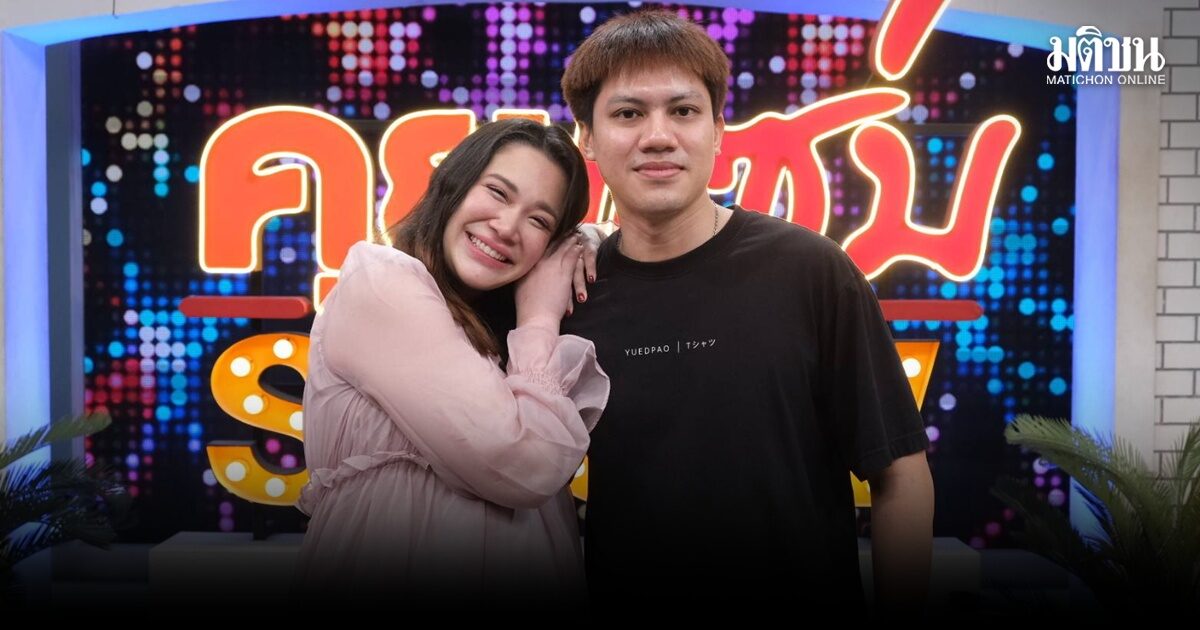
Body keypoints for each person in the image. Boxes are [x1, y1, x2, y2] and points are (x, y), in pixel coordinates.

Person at [560, 10, 935, 614]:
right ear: (587, 137)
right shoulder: (571, 292)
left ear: (717, 131)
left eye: (684, 111)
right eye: (628, 114)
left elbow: (900, 472)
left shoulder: (810, 269)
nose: (658, 136)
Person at [293, 118, 609, 609]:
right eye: (498, 192)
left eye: (539, 221)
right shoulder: (382, 285)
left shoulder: (497, 322)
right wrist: (539, 318)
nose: (507, 227)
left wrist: (588, 240)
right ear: (453, 185)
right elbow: (525, 464)